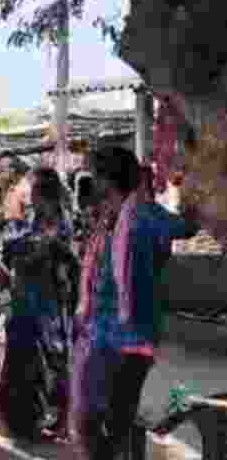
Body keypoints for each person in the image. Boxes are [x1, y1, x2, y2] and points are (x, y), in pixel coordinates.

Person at [70, 147, 199, 460]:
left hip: (131, 336)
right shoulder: (107, 217)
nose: (90, 181)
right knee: (90, 418)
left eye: (94, 174)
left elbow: (186, 227)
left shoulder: (143, 214)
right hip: (100, 332)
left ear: (107, 180)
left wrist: (194, 190)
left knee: (114, 421)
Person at [0, 167, 80, 443]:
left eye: (33, 192)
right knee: (26, 360)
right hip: (28, 300)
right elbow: (22, 249)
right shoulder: (35, 220)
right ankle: (27, 421)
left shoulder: (61, 222)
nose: (30, 197)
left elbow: (48, 252)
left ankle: (61, 421)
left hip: (49, 302)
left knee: (53, 360)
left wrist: (26, 250)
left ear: (44, 194)